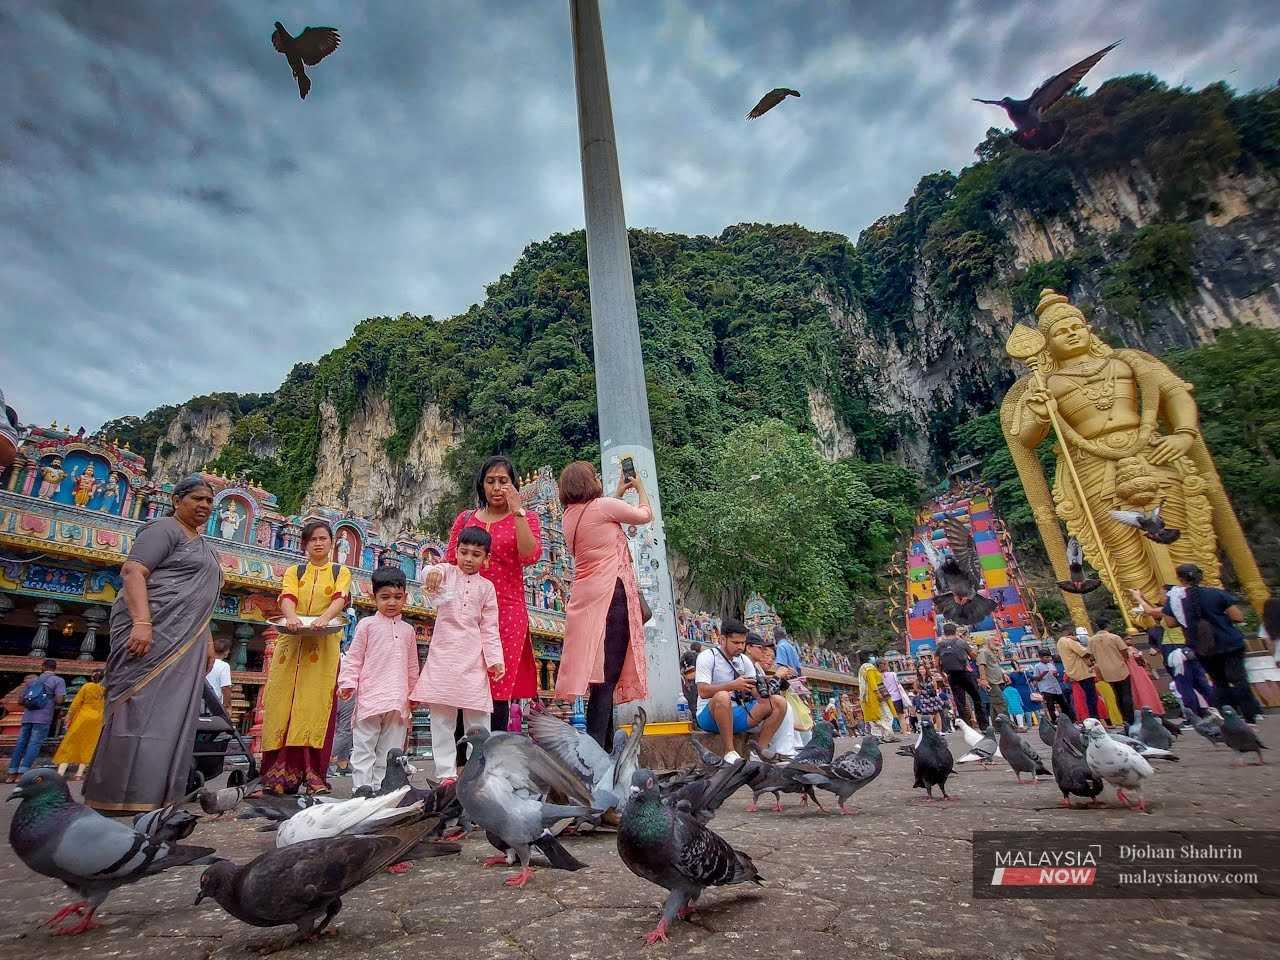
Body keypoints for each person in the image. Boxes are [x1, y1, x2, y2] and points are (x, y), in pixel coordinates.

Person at [84, 476, 222, 813]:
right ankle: (115, 795)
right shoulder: (163, 530)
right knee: (137, 709)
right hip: (152, 635)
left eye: (209, 502)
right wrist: (143, 623)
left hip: (185, 641)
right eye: (197, 499)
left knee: (172, 716)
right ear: (177, 500)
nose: (204, 506)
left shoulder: (206, 546)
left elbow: (199, 604)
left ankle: (157, 794)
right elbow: (133, 572)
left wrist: (206, 643)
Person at [432, 456, 542, 757]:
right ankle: (455, 767)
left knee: (498, 683)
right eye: (490, 481)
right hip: (464, 609)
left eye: (503, 481)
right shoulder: (467, 519)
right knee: (459, 678)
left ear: (514, 485)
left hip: (507, 610)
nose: (497, 487)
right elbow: (450, 561)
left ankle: (494, 762)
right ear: (482, 484)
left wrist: (517, 511)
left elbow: (530, 555)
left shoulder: (527, 518)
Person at [556, 461, 652, 749]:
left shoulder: (568, 516)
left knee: (602, 675)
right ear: (589, 482)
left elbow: (599, 517)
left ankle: (604, 746)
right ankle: (596, 749)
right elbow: (644, 515)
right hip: (613, 595)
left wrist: (617, 494)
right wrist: (640, 488)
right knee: (606, 678)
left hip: (587, 600)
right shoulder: (603, 507)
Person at [260, 519, 352, 795]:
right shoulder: (294, 571)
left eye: (324, 538)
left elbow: (340, 599)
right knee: (282, 705)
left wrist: (322, 621)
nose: (319, 543)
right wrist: (291, 619)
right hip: (292, 642)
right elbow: (286, 597)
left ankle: (313, 775)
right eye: (313, 539)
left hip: (323, 646)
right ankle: (276, 775)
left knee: (316, 706)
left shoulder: (339, 571)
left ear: (332, 543)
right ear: (305, 544)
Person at [413, 527, 505, 783]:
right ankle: (446, 774)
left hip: (473, 658)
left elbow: (489, 627)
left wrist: (495, 660)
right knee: (441, 719)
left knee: (478, 719)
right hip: (443, 655)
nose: (468, 558)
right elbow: (431, 571)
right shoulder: (446, 573)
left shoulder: (487, 588)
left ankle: (479, 772)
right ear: (455, 552)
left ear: (486, 559)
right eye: (463, 552)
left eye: (476, 554)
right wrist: (431, 573)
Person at [338, 567, 421, 792]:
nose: (391, 602)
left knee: (391, 749)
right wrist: (347, 683)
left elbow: (412, 665)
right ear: (373, 597)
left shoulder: (408, 631)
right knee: (364, 746)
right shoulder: (366, 625)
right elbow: (353, 658)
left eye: (397, 597)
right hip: (370, 698)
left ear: (405, 597)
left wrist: (414, 693)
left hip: (398, 698)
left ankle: (383, 789)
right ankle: (362, 789)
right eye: (385, 597)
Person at [1163, 563, 1262, 723]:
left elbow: (1170, 623)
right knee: (1238, 679)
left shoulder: (1175, 600)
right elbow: (1238, 617)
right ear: (1200, 576)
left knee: (1218, 681)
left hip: (1202, 646)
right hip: (1229, 641)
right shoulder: (1216, 593)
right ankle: (1250, 713)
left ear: (1180, 579)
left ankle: (1228, 715)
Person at [693, 618, 785, 763]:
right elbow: (703, 691)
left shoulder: (744, 660)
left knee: (779, 702)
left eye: (743, 643)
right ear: (723, 639)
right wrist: (732, 685)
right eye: (736, 643)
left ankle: (759, 750)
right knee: (723, 696)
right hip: (709, 716)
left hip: (738, 713)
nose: (740, 647)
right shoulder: (707, 657)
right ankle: (729, 751)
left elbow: (757, 695)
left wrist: (764, 688)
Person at [1132, 587, 1215, 718]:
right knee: (1200, 681)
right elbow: (1157, 611)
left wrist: (1137, 597)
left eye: (1161, 593)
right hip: (1187, 646)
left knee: (1183, 683)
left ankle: (1193, 715)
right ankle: (1217, 708)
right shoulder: (1183, 607)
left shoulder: (1171, 610)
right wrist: (1144, 597)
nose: (1159, 595)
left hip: (1174, 647)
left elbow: (1151, 611)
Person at [6, 659, 67, 782]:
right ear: (55, 668)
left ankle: (11, 773)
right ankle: (23, 773)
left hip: (27, 717)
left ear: (43, 667)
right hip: (43, 717)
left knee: (21, 743)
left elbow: (21, 700)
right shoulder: (58, 680)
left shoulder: (32, 680)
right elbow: (60, 700)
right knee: (34, 743)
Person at [744, 634, 800, 757]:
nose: (764, 655)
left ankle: (785, 748)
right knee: (780, 704)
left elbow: (765, 692)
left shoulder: (754, 667)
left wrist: (780, 679)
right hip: (747, 710)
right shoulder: (745, 664)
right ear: (748, 648)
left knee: (784, 705)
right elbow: (766, 695)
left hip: (754, 708)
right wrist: (777, 676)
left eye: (771, 657)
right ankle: (781, 749)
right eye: (761, 649)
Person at [54, 671, 105, 780]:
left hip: (82, 718)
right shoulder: (105, 689)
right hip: (98, 720)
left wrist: (68, 717)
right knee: (89, 745)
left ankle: (60, 773)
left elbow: (76, 703)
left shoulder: (87, 686)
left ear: (93, 677)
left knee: (70, 743)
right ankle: (79, 774)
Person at [936, 624, 986, 727]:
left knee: (960, 702)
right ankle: (983, 725)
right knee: (976, 698)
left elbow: (937, 663)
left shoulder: (940, 645)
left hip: (952, 675)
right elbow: (973, 656)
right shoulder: (961, 642)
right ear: (955, 631)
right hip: (965, 673)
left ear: (944, 632)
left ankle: (966, 726)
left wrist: (943, 675)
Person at [1088, 619, 1133, 726]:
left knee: (1116, 695)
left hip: (1105, 671)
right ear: (1107, 626)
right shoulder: (1114, 637)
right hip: (1120, 668)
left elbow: (1089, 655)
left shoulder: (1092, 640)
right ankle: (1130, 718)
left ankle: (1124, 719)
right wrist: (1124, 659)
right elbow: (1124, 651)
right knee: (1126, 694)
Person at [1057, 627, 1101, 721]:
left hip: (1073, 673)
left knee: (1085, 697)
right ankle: (1094, 719)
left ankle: (1091, 718)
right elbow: (1085, 653)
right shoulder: (1069, 641)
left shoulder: (1059, 643)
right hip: (1084, 672)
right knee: (1092, 697)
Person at [856, 652, 896, 741]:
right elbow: (872, 683)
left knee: (876, 718)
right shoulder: (869, 668)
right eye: (871, 656)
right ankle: (888, 735)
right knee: (885, 716)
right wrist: (878, 694)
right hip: (875, 696)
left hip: (869, 697)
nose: (874, 658)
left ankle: (878, 736)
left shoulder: (863, 668)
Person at [1031, 650, 1073, 723]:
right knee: (1050, 706)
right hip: (1046, 689)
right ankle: (1054, 720)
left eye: (1049, 657)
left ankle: (1068, 719)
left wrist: (1056, 674)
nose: (1048, 659)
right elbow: (1036, 678)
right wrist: (1043, 674)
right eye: (1046, 657)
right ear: (1040, 657)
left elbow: (1056, 675)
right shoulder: (1037, 666)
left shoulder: (1051, 665)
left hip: (1056, 688)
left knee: (1063, 704)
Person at [974, 635, 1007, 711]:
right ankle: (1006, 722)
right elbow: (981, 665)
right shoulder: (983, 651)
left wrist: (1003, 674)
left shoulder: (992, 652)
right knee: (1001, 703)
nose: (998, 643)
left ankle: (997, 722)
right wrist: (983, 679)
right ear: (988, 642)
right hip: (991, 682)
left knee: (994, 705)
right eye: (995, 641)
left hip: (997, 680)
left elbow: (996, 665)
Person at [206, 635, 233, 712]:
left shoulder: (205, 662)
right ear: (226, 651)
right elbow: (225, 687)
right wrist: (227, 705)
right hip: (214, 702)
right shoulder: (224, 666)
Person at [881, 664, 907, 732]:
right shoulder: (893, 674)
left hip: (887, 699)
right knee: (901, 716)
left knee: (888, 717)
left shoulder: (879, 676)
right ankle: (905, 733)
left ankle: (890, 733)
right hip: (897, 697)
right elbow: (898, 684)